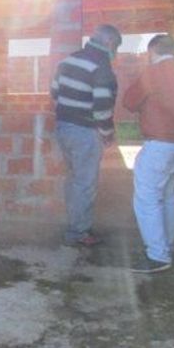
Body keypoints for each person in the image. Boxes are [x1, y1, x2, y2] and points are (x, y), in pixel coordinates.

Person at [123, 34, 174, 273]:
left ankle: (157, 255)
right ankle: (166, 246)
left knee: (146, 198)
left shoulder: (155, 72)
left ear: (153, 50)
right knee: (167, 195)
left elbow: (129, 101)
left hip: (160, 141)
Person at [50, 24, 122, 247]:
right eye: (116, 47)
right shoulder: (101, 66)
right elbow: (102, 107)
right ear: (109, 42)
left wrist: (69, 112)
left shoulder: (67, 60)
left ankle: (73, 223)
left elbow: (54, 93)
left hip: (63, 127)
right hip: (85, 132)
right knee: (85, 183)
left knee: (73, 179)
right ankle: (78, 232)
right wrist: (107, 134)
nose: (116, 52)